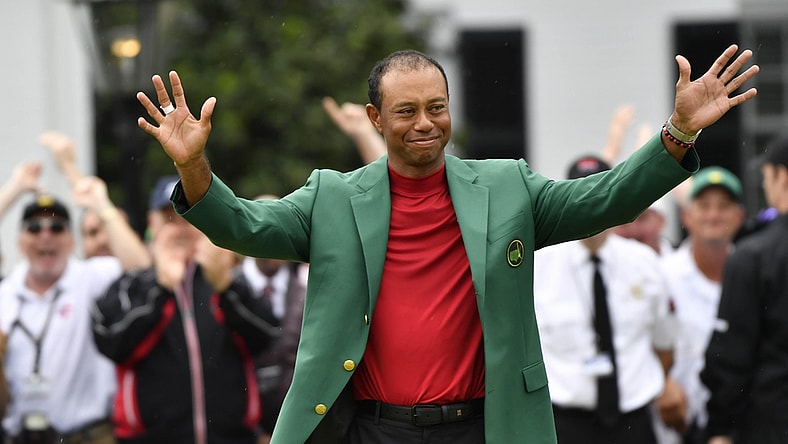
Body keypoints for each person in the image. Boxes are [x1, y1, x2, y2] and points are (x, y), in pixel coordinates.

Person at [135, 45, 758, 444]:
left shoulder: (507, 186)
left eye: (436, 107)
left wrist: (677, 133)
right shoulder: (330, 197)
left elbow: (604, 200)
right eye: (405, 112)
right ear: (375, 120)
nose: (425, 123)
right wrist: (195, 168)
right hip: (370, 429)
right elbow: (243, 226)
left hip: (485, 427)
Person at [91, 176, 281, 444]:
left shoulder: (228, 279)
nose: (181, 229)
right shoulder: (133, 283)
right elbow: (111, 343)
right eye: (169, 219)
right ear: (152, 224)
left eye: (188, 219)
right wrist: (160, 287)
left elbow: (267, 336)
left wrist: (225, 287)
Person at [0, 160, 149, 443]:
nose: (46, 235)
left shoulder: (90, 277)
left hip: (88, 435)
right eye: (34, 227)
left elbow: (142, 269)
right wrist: (13, 190)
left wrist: (101, 205)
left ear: (71, 241)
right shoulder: (5, 294)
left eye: (57, 227)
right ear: (19, 241)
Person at [533, 155, 677, 444]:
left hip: (632, 421)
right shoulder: (538, 266)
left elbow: (664, 346)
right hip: (565, 422)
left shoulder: (644, 262)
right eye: (580, 193)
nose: (590, 202)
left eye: (600, 192)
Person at [701, 134, 788, 444]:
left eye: (766, 177)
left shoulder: (754, 255)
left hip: (770, 424)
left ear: (782, 176)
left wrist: (720, 427)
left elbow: (730, 359)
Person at [651, 166, 744, 444]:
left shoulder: (754, 273)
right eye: (704, 205)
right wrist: (662, 384)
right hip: (669, 428)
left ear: (739, 217)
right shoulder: (661, 275)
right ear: (687, 216)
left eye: (724, 206)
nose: (714, 215)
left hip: (735, 428)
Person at [237, 196, 308, 442]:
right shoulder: (223, 291)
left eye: (283, 230)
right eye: (268, 230)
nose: (276, 240)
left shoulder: (307, 294)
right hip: (237, 430)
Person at [38, 131, 137, 260]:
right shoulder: (78, 276)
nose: (102, 240)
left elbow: (140, 266)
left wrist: (69, 167)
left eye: (109, 231)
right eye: (92, 232)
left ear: (136, 237)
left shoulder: (148, 276)